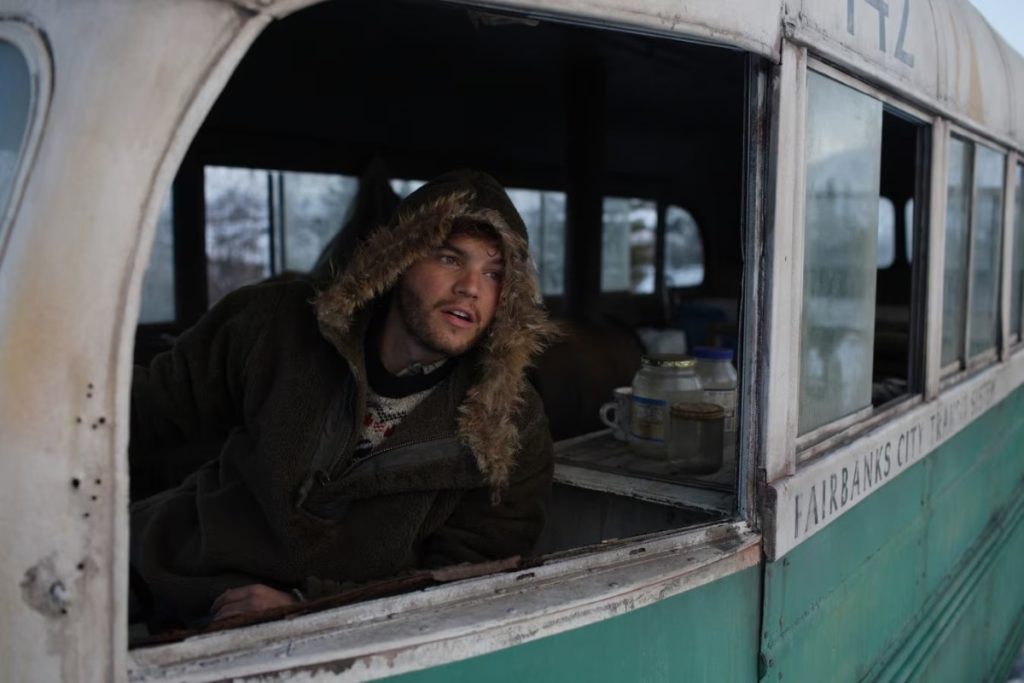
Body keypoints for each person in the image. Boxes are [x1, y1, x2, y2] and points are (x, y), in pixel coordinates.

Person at [129, 169, 556, 627]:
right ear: (397, 260)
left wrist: (308, 606)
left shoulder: (509, 422)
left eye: (494, 273)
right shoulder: (277, 323)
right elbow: (144, 412)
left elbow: (462, 583)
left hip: (318, 631)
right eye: (450, 258)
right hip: (164, 569)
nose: (472, 287)